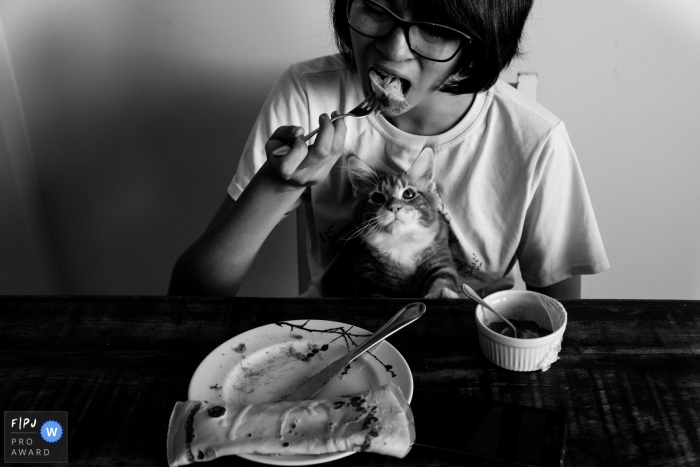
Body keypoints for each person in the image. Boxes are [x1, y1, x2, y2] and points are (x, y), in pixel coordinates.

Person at [168, 0, 609, 299]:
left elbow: (559, 318)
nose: (392, 49)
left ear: (476, 42)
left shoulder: (535, 139)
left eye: (435, 28)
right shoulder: (308, 96)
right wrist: (278, 185)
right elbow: (192, 293)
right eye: (377, 9)